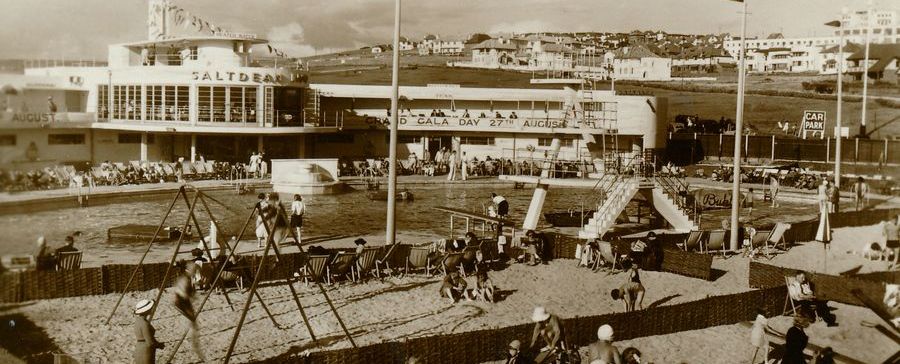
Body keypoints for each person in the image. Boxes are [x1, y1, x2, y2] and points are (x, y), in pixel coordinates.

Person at [174, 262, 205, 361]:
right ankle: (196, 347)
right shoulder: (185, 279)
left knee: (193, 324)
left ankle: (195, 344)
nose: (195, 273)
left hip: (182, 301)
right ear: (190, 270)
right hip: (182, 302)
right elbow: (183, 294)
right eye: (194, 271)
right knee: (193, 325)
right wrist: (192, 296)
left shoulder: (185, 277)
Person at [133, 299, 164, 364]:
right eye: (151, 308)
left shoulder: (138, 321)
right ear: (146, 310)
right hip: (146, 351)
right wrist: (159, 345)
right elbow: (150, 342)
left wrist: (157, 343)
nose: (152, 309)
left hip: (139, 348)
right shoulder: (144, 323)